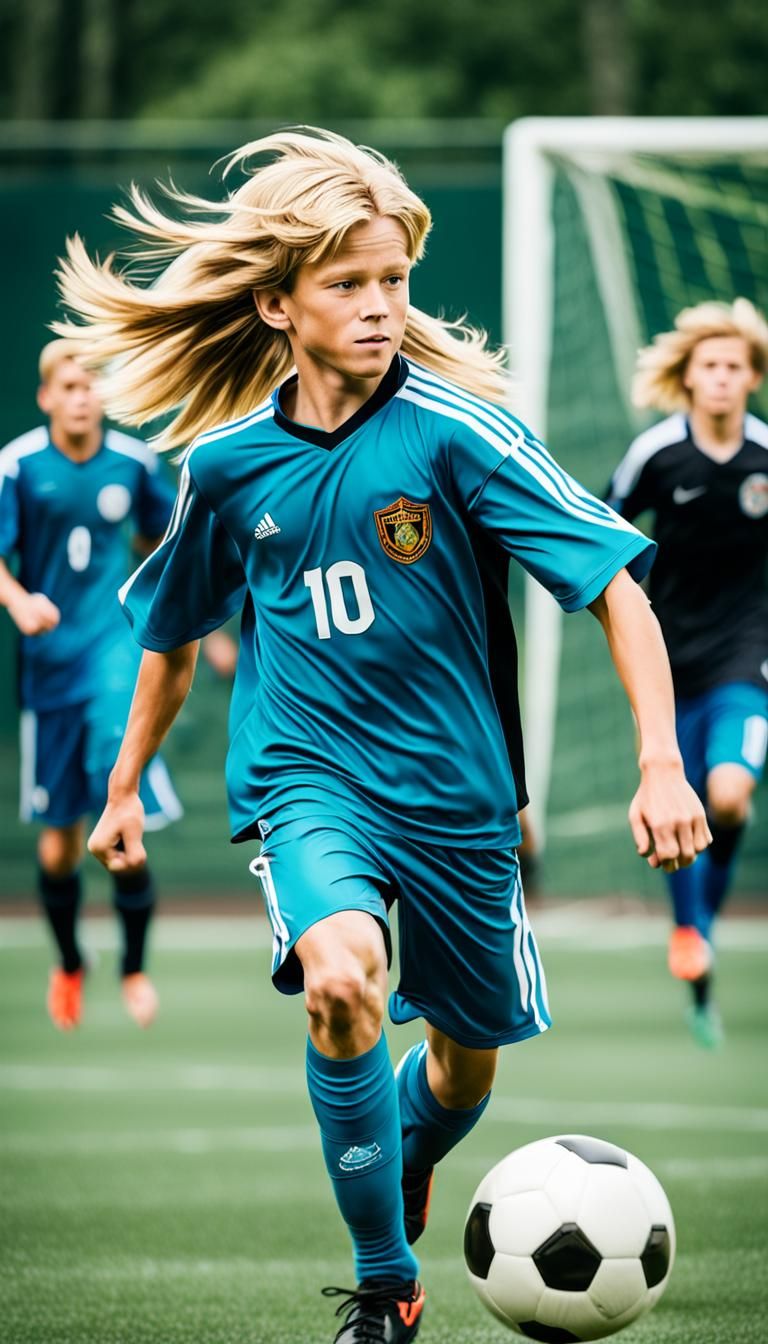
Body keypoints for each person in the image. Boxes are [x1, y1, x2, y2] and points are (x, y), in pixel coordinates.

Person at [59, 129, 709, 1342]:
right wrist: (125, 785)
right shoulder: (227, 467)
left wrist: (661, 763)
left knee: (464, 1069)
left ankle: (402, 1148)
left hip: (459, 798)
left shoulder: (459, 433)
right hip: (308, 782)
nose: (378, 305)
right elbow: (174, 635)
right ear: (278, 303)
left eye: (394, 280)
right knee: (341, 979)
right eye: (347, 282)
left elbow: (619, 592)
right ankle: (384, 1282)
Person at [0, 340, 182, 1030]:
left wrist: (185, 614)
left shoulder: (134, 464)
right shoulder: (19, 466)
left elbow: (164, 540)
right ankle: (71, 961)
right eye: (69, 387)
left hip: (114, 657)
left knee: (121, 822)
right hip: (50, 669)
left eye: (92, 386)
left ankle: (134, 968)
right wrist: (20, 601)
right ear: (47, 397)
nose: (82, 398)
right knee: (59, 849)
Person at [607, 299, 768, 1049]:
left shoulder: (765, 455)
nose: (722, 377)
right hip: (668, 661)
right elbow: (602, 530)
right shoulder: (657, 454)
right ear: (689, 377)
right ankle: (692, 941)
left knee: (728, 797)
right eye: (710, 365)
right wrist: (630, 602)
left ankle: (696, 928)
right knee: (682, 810)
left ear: (752, 378)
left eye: (735, 366)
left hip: (747, 655)